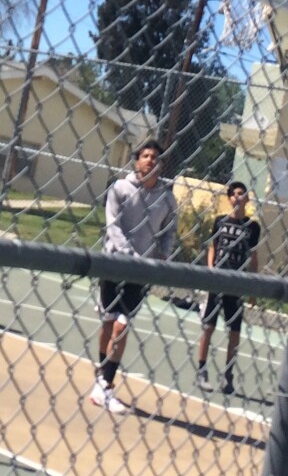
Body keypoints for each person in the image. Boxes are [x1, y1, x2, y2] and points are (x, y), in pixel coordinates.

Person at [91, 139, 178, 415]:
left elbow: (169, 230)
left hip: (142, 271)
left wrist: (163, 254)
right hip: (114, 263)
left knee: (122, 325)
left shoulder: (166, 196)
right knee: (108, 322)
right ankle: (101, 381)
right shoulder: (120, 188)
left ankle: (105, 383)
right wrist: (130, 254)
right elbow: (113, 226)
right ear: (137, 160)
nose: (150, 160)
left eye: (155, 157)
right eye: (146, 155)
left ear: (161, 164)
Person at [196, 181, 261, 395]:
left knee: (234, 331)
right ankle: (202, 369)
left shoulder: (252, 227)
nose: (238, 197)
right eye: (235, 194)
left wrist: (252, 287)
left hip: (237, 283)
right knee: (208, 327)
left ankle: (228, 375)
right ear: (229, 198)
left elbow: (253, 256)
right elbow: (213, 246)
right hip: (217, 281)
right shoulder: (219, 221)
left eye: (242, 194)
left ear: (247, 199)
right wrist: (210, 270)